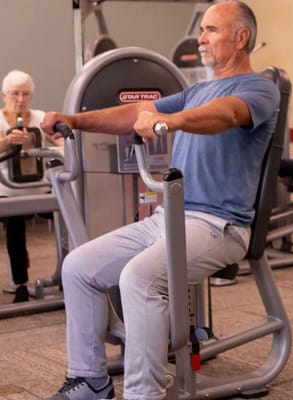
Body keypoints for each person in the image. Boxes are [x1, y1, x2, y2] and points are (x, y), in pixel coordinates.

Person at [38, 1, 279, 399]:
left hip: (218, 226)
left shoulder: (258, 89)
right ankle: (89, 381)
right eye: (202, 30)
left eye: (211, 30)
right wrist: (75, 121)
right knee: (78, 267)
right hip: (168, 218)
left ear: (241, 38)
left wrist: (171, 120)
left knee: (139, 278)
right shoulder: (196, 92)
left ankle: (143, 394)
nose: (201, 39)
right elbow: (136, 111)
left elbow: (226, 115)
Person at [0, 70, 63, 303]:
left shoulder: (40, 117)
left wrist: (66, 145)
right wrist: (7, 142)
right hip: (9, 191)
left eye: (25, 94)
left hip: (41, 188)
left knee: (68, 216)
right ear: (4, 95)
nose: (20, 99)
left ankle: (67, 274)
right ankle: (21, 286)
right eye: (15, 93)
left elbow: (59, 141)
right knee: (15, 227)